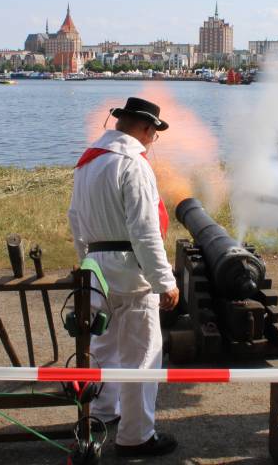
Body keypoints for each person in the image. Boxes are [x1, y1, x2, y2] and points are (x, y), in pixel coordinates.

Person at [68, 96, 180, 458]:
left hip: (97, 266)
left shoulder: (88, 163)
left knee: (104, 347)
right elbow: (145, 230)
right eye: (153, 134)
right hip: (131, 269)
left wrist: (86, 263)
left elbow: (75, 221)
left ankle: (102, 413)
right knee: (143, 355)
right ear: (146, 129)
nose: (152, 140)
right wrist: (165, 281)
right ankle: (136, 436)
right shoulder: (133, 164)